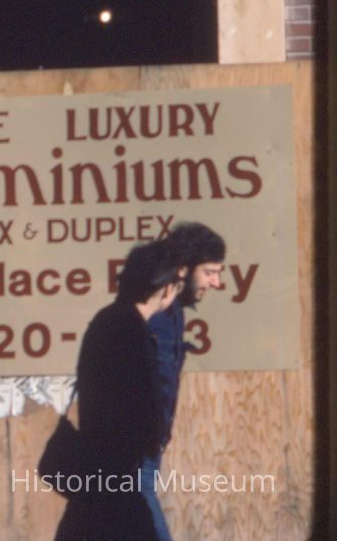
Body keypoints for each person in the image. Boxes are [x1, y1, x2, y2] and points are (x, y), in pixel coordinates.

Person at [55, 240, 184, 541]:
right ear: (166, 289)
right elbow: (137, 411)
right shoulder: (133, 332)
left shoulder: (108, 321)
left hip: (103, 474)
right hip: (120, 476)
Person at [141, 222, 227, 540]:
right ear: (182, 269)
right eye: (209, 272)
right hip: (131, 458)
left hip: (142, 453)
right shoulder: (157, 316)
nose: (217, 282)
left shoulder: (173, 314)